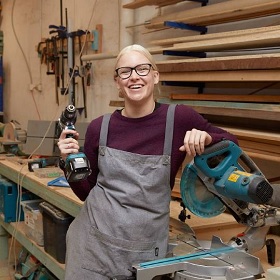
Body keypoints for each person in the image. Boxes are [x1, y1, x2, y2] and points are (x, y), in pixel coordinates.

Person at [57, 44, 238, 280]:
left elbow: (231, 142)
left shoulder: (179, 118)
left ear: (155, 75)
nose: (134, 77)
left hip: (145, 254)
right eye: (125, 71)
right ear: (117, 82)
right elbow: (85, 192)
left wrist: (208, 138)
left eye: (142, 69)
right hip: (91, 248)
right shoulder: (99, 128)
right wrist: (67, 161)